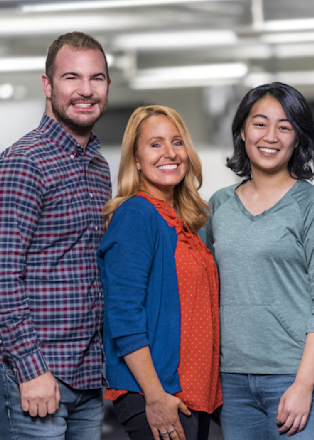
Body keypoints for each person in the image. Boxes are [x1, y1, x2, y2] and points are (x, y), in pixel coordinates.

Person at [0, 32, 112, 439]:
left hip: (85, 373)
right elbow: (0, 280)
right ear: (48, 85)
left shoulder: (98, 167)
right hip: (33, 371)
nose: (86, 91)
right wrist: (32, 370)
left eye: (97, 78)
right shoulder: (22, 164)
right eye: (72, 78)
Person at [205, 82, 314, 440]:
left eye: (284, 126)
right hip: (232, 383)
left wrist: (303, 385)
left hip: (295, 376)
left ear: (298, 138)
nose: (270, 136)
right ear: (242, 131)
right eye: (259, 123)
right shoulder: (219, 204)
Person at [98, 105, 221, 440]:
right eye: (155, 144)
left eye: (177, 142)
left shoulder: (184, 221)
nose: (169, 153)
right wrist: (154, 396)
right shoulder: (137, 214)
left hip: (189, 392)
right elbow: (123, 316)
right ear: (136, 159)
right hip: (156, 392)